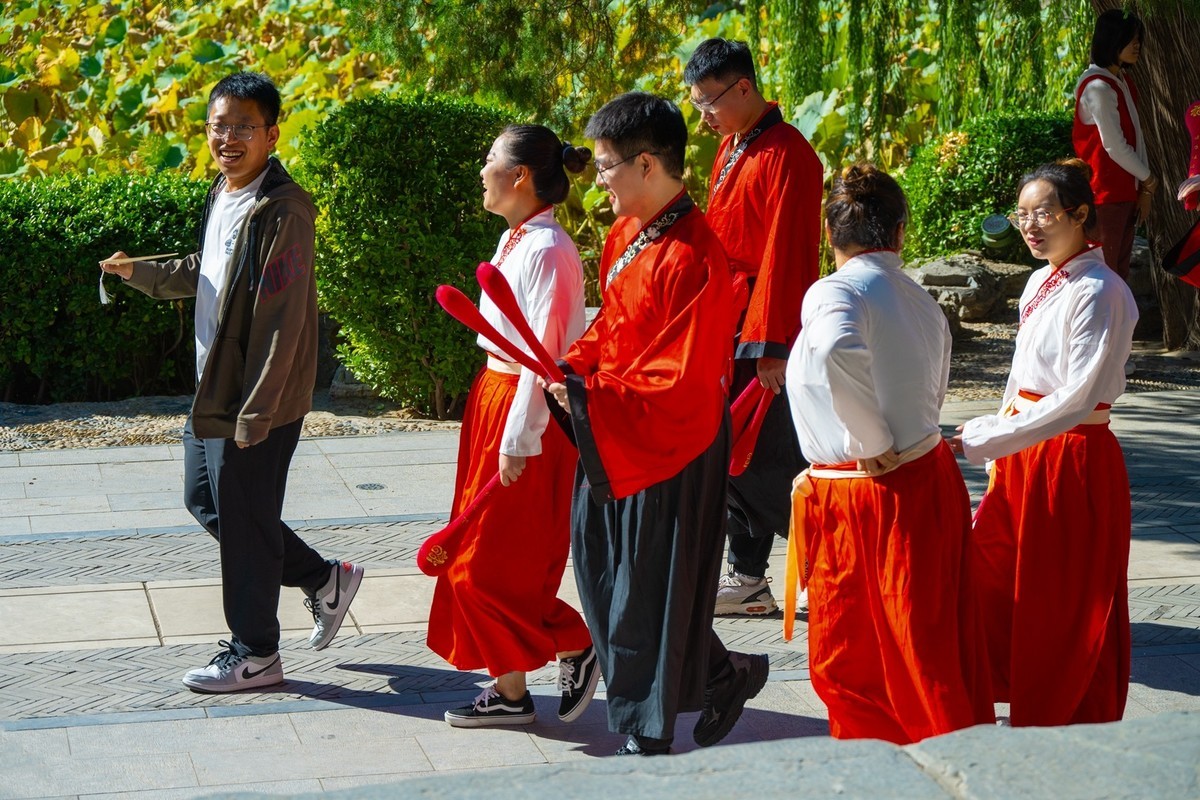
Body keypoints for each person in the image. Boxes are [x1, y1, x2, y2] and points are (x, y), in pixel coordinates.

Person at [100, 73, 363, 692]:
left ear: (272, 134)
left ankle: (256, 653)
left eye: (244, 126)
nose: (228, 137)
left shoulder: (284, 210)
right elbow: (209, 269)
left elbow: (283, 319)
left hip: (253, 400)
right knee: (209, 501)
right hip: (214, 389)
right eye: (219, 125)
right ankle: (324, 579)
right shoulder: (225, 190)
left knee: (243, 517)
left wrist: (258, 411)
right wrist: (142, 272)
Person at [543, 92, 768, 755]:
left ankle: (649, 731)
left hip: (670, 438)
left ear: (647, 164)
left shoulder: (698, 253)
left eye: (607, 165)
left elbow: (683, 374)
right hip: (617, 426)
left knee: (647, 592)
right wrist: (573, 369)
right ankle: (725, 675)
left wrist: (592, 390)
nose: (599, 179)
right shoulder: (625, 235)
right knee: (607, 575)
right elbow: (612, 329)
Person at [786, 164, 994, 743]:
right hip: (920, 477)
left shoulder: (837, 288)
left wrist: (870, 440)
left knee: (860, 658)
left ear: (830, 236)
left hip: (872, 489)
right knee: (927, 648)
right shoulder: (920, 300)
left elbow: (833, 351)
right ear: (900, 233)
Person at [949, 159, 1138, 726]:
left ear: (1080, 215)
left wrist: (988, 435)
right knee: (994, 578)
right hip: (1026, 452)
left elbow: (1077, 399)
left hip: (1072, 456)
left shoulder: (1102, 290)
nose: (1030, 226)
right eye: (1022, 214)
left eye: (1044, 214)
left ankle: (1070, 713)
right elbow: (1021, 378)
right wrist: (1001, 441)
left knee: (1064, 598)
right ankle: (1004, 694)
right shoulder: (1041, 279)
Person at [428, 125, 598, 728]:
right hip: (496, 395)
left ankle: (576, 639)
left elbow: (544, 353)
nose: (482, 170)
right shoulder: (519, 240)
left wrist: (519, 439)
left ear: (520, 175)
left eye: (490, 158)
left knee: (485, 560)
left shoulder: (548, 249)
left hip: (525, 409)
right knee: (489, 555)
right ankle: (511, 692)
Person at [684, 38, 823, 616]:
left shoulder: (790, 153)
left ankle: (832, 559)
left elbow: (785, 254)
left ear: (744, 87)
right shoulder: (733, 147)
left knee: (765, 454)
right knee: (732, 452)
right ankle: (748, 576)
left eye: (710, 102)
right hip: (729, 316)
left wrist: (772, 346)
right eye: (696, 105)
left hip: (762, 322)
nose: (704, 116)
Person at [1074, 8, 1158, 280]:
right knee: (1104, 273)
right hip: (1104, 195)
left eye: (1137, 39)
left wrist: (1144, 187)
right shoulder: (1097, 86)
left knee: (1118, 273)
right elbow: (1115, 145)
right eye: (1129, 39)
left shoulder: (1119, 80)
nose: (1137, 45)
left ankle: (1121, 324)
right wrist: (1148, 179)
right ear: (1111, 41)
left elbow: (1137, 137)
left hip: (1123, 192)